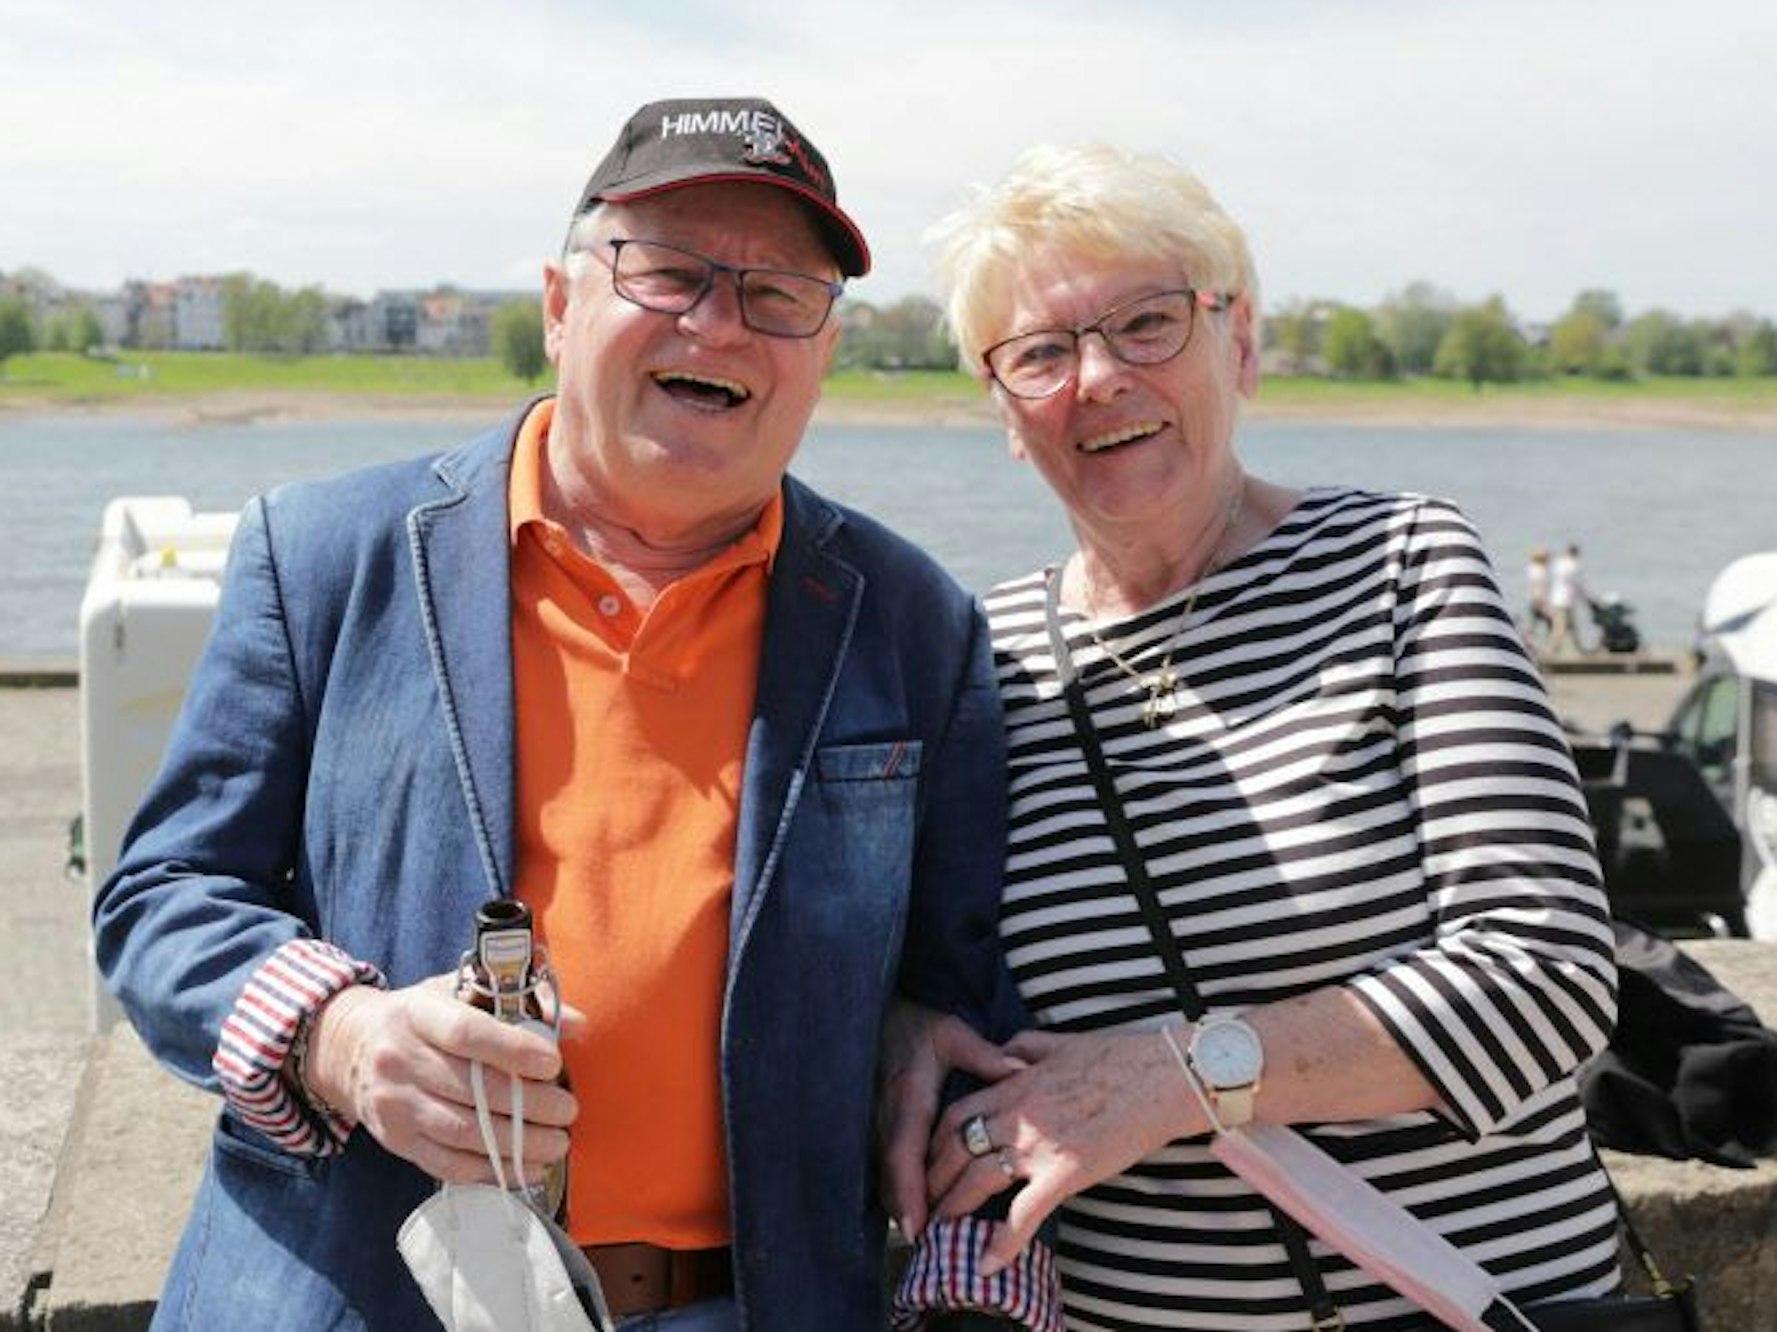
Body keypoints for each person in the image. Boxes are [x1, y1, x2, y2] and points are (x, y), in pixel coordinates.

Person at [93, 95, 1019, 1332]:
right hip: (354, 1297)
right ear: (559, 304)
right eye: (671, 272)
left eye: (778, 294)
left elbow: (965, 1010)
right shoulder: (322, 555)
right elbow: (159, 902)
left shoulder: (915, 623)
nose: (720, 324)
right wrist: (343, 1038)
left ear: (825, 350)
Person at [881, 144, 1621, 1330]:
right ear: (1005, 414)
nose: (1099, 376)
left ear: (1240, 343)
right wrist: (910, 1023)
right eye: (1040, 352)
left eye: (1147, 323)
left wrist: (1171, 1078)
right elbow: (920, 960)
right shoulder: (981, 658)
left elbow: (1545, 975)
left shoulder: (1398, 564)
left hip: (1466, 1307)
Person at [1546, 541, 1590, 656]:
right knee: (1560, 628)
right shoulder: (1574, 565)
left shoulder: (1559, 564)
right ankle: (1550, 652)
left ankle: (1580, 649)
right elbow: (1578, 585)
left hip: (1556, 599)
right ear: (1577, 553)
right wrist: (1587, 599)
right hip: (1565, 601)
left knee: (1573, 626)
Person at [1525, 544, 1553, 648]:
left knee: (1534, 622)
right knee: (1550, 622)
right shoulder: (1541, 571)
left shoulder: (1532, 568)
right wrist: (1544, 604)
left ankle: (1528, 641)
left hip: (1534, 599)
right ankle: (1549, 644)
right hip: (1539, 600)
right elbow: (1541, 587)